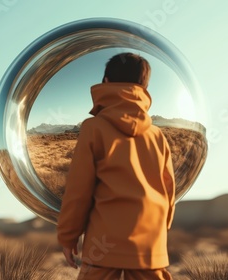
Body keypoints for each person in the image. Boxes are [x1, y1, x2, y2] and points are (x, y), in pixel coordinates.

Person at [57, 52, 175, 280]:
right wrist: (160, 231)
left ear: (106, 81)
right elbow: (169, 189)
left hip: (104, 244)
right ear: (144, 86)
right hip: (149, 245)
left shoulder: (93, 128)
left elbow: (78, 190)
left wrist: (68, 236)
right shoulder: (157, 135)